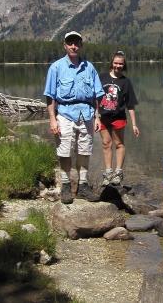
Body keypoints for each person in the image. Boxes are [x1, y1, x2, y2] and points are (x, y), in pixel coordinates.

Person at [43, 31, 104, 204]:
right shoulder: (56, 67)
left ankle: (83, 186)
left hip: (87, 113)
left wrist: (97, 117)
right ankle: (66, 186)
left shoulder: (89, 67)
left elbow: (97, 95)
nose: (73, 46)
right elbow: (50, 96)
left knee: (85, 150)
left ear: (81, 46)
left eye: (76, 43)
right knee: (64, 151)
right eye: (70, 43)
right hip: (64, 113)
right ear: (65, 45)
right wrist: (52, 119)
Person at [99, 50, 139, 186]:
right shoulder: (102, 77)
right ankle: (108, 173)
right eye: (116, 63)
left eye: (120, 64)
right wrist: (95, 117)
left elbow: (131, 105)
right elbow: (94, 98)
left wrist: (134, 124)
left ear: (124, 65)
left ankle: (118, 172)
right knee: (106, 144)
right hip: (103, 117)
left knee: (119, 144)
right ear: (112, 63)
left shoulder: (125, 82)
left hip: (119, 117)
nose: (118, 66)